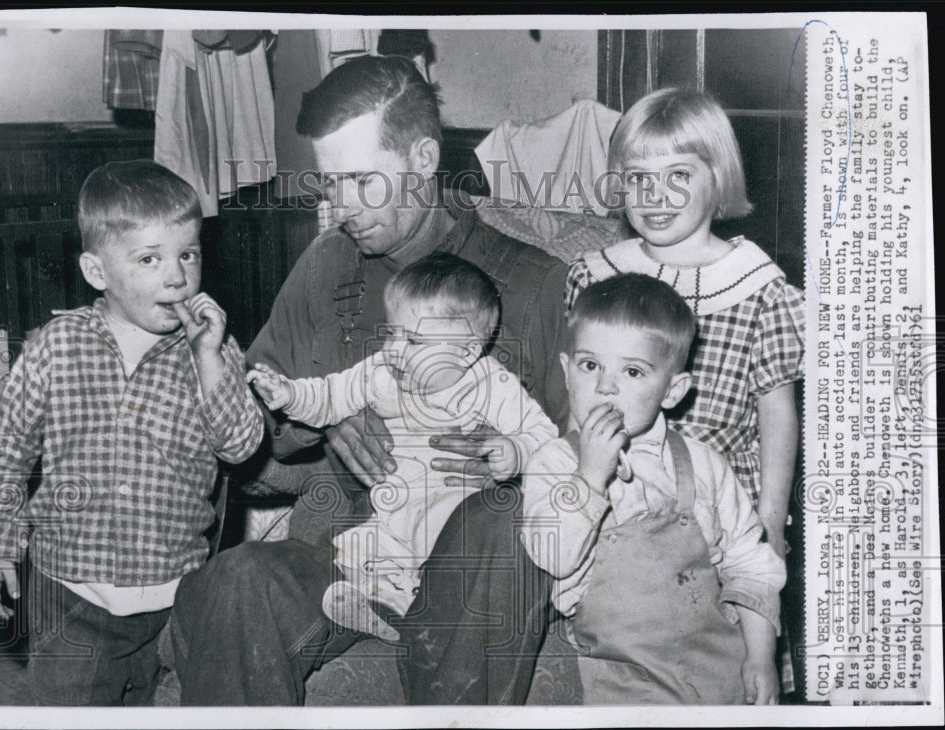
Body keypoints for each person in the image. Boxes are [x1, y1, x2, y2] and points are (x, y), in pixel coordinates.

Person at [169, 55, 569, 705]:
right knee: (235, 580)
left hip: (466, 576)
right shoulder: (327, 265)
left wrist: (509, 460)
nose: (342, 208)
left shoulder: (532, 281)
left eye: (361, 182)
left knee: (503, 516)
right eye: (331, 185)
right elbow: (254, 439)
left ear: (422, 159)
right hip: (347, 556)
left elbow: (587, 462)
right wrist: (322, 424)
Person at [0, 160, 264, 706]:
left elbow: (242, 445)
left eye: (187, 254)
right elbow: (5, 451)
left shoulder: (214, 351)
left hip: (176, 592)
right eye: (149, 259)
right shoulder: (56, 346)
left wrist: (209, 363)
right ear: (97, 271)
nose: (176, 276)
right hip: (69, 591)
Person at [247, 252, 559, 639]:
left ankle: (405, 606)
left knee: (435, 545)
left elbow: (543, 435)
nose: (394, 349)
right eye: (393, 331)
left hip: (451, 513)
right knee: (361, 549)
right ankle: (378, 606)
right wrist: (289, 395)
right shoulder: (382, 372)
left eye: (413, 340)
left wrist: (514, 450)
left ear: (466, 352)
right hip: (391, 504)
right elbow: (329, 397)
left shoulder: (492, 385)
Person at [522, 274, 787, 704]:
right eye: (590, 366)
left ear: (672, 390)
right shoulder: (555, 463)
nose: (606, 386)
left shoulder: (703, 465)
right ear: (567, 372)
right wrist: (589, 479)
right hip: (622, 683)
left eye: (632, 371)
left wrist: (761, 657)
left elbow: (751, 564)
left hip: (720, 672)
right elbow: (553, 558)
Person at [565, 88, 805, 560]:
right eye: (638, 178)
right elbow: (574, 394)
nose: (656, 196)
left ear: (717, 179)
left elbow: (776, 415)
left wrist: (771, 520)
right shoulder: (594, 274)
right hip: (617, 481)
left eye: (678, 175)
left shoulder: (758, 287)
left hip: (720, 505)